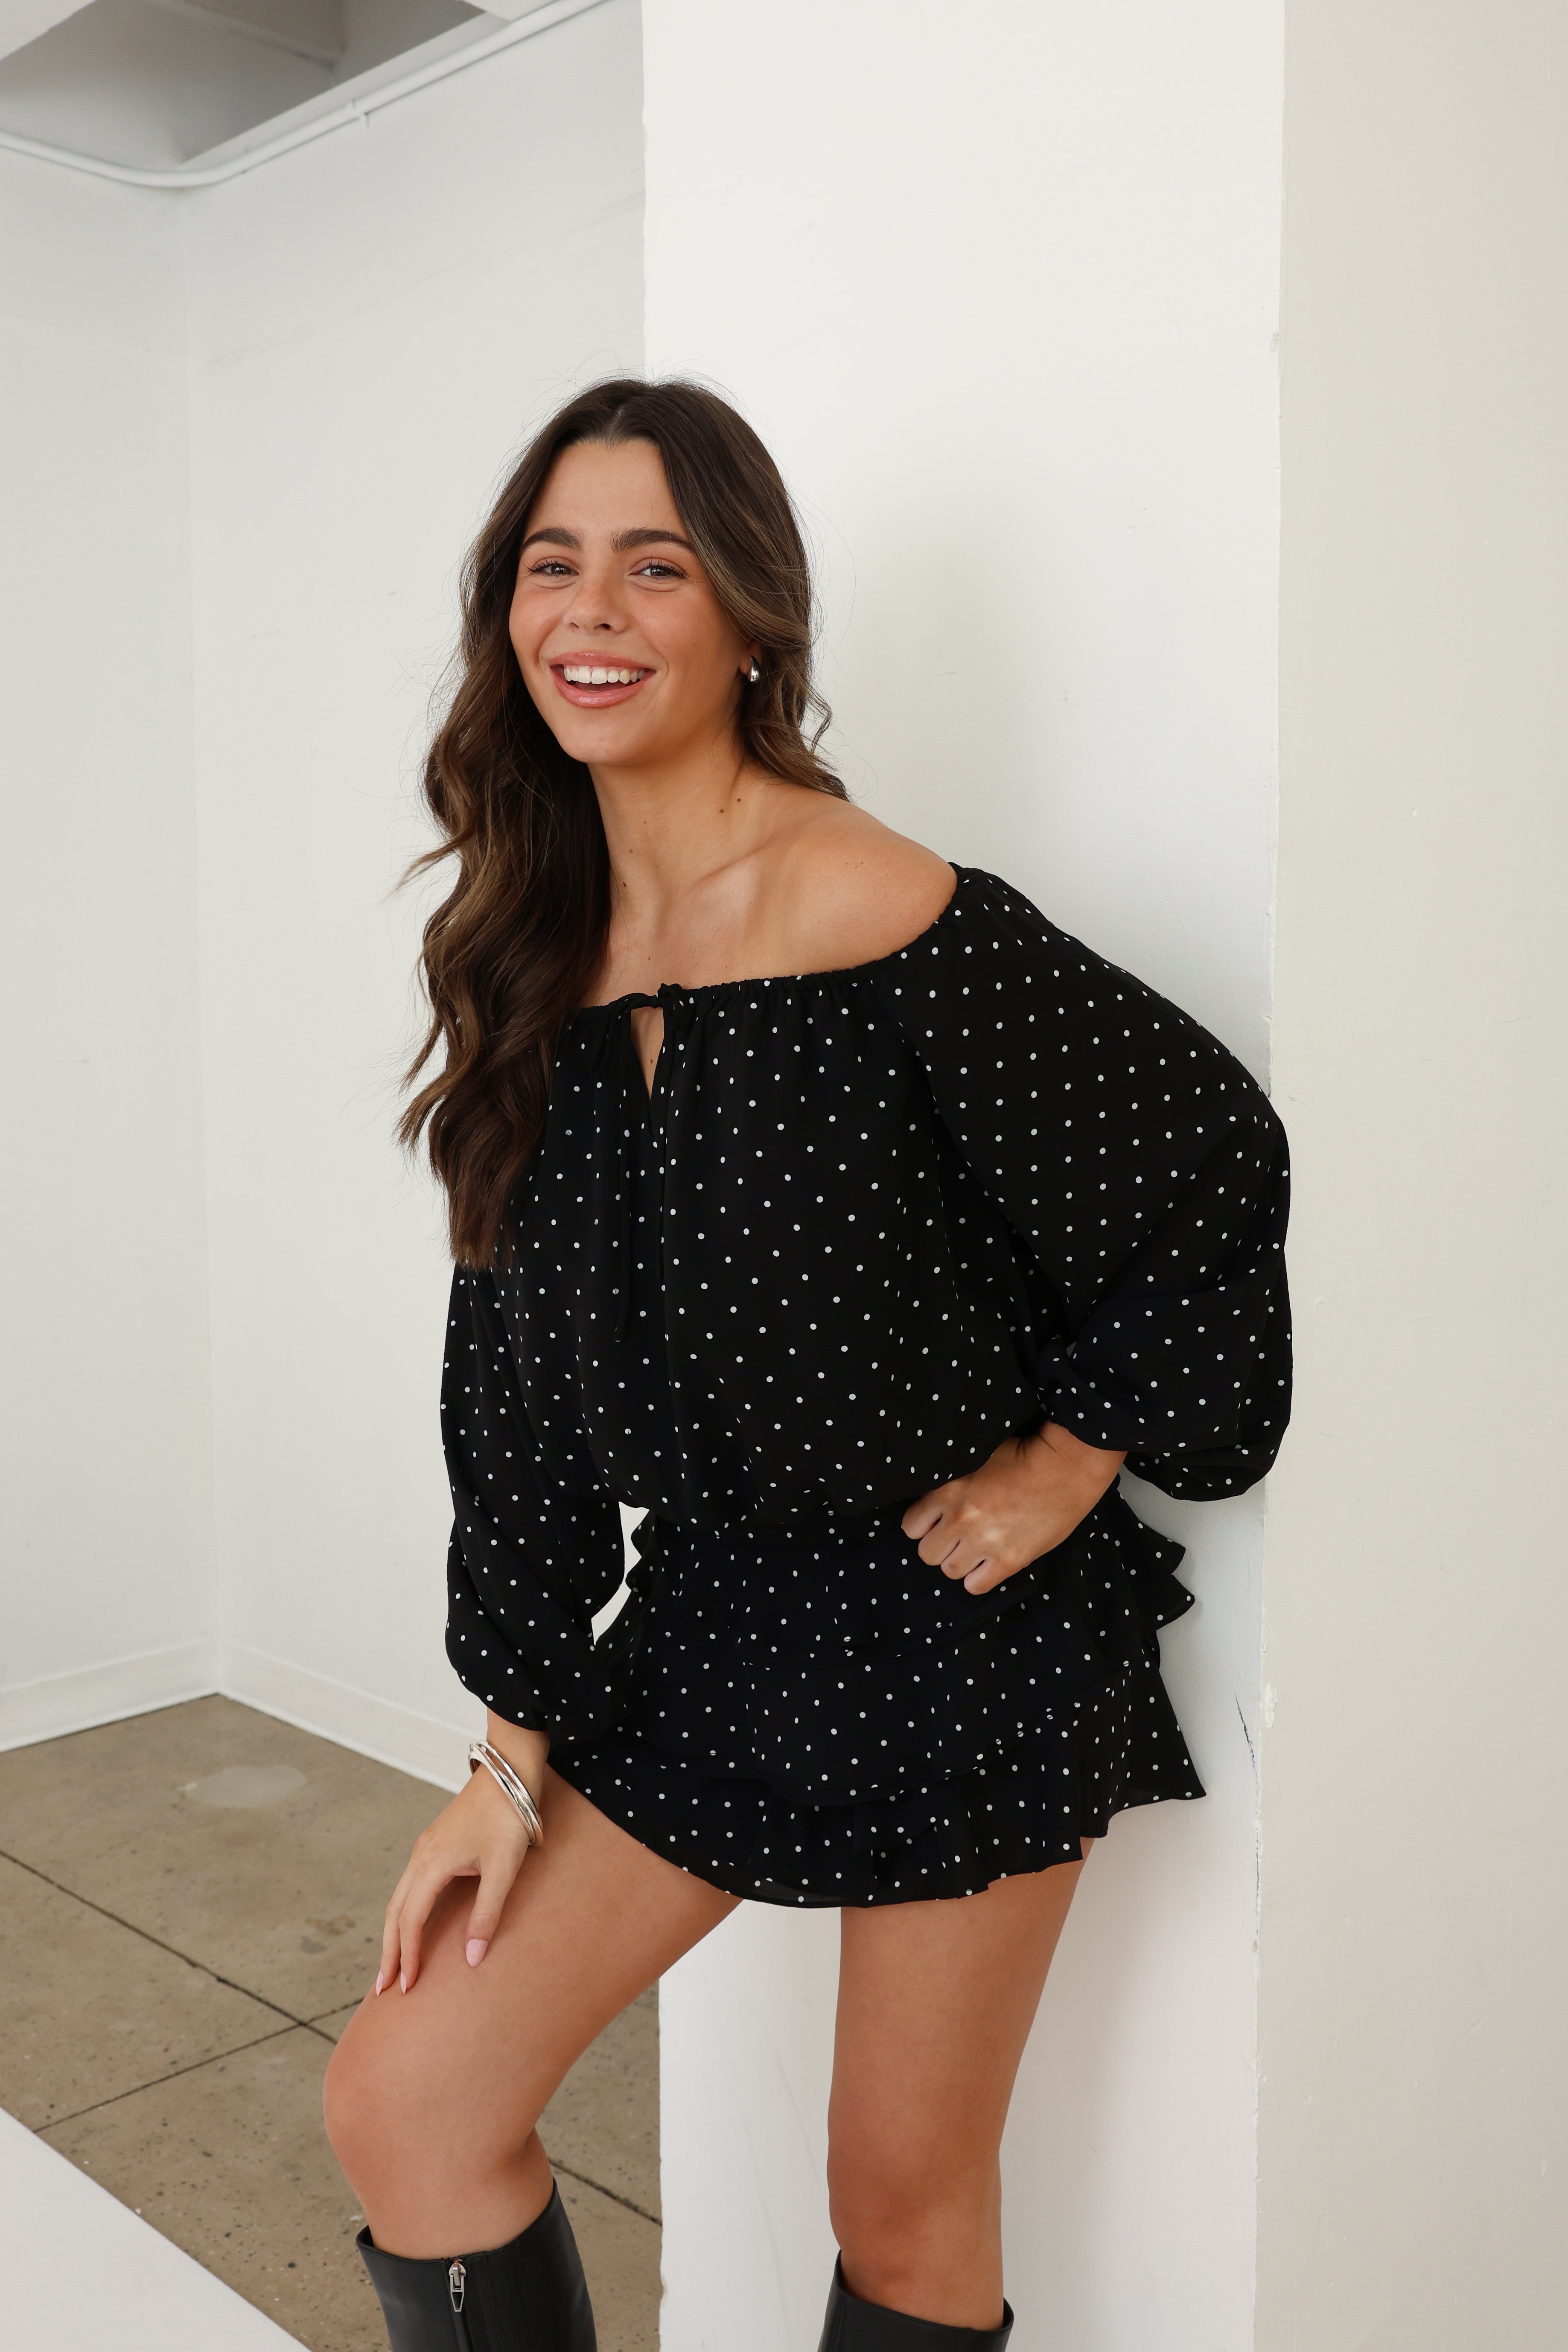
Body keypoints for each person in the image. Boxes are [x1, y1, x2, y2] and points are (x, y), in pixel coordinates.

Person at [322, 379, 1291, 2352]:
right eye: (549, 564)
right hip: (713, 1614)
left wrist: (1074, 1456)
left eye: (653, 564)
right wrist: (503, 1760)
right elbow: (507, 1384)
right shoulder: (535, 943)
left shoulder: (884, 909)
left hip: (964, 1631)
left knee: (899, 2200)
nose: (589, 609)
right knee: (408, 2094)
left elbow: (1207, 1169)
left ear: (750, 616)